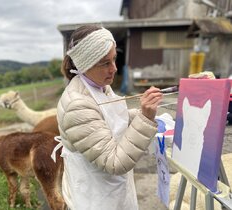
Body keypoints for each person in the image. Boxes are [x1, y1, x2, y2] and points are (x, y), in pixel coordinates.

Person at [56, 25, 163, 210]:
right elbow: (114, 162)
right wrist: (145, 119)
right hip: (95, 195)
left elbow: (111, 118)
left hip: (110, 186)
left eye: (114, 59)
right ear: (85, 64)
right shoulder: (77, 105)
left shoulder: (98, 85)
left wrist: (141, 113)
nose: (114, 68)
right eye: (105, 63)